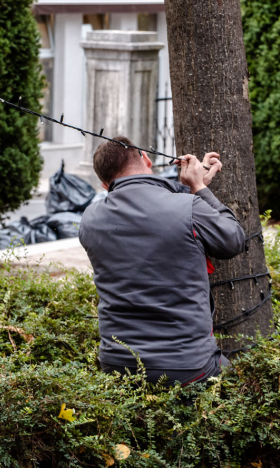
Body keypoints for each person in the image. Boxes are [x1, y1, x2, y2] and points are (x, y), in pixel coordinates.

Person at [78, 139, 246, 386]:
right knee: (242, 388)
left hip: (117, 365)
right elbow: (233, 240)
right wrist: (199, 187)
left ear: (105, 186)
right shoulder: (189, 207)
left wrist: (189, 193)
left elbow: (149, 218)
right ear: (146, 158)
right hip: (188, 367)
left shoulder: (89, 218)